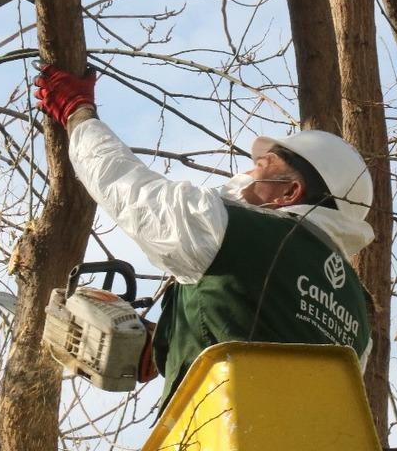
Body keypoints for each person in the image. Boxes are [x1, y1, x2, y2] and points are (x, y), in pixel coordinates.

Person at [33, 63, 374, 412]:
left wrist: (77, 111)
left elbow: (125, 185)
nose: (248, 172)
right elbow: (264, 345)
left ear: (289, 192)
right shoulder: (360, 317)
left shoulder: (232, 232)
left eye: (263, 165)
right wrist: (168, 343)